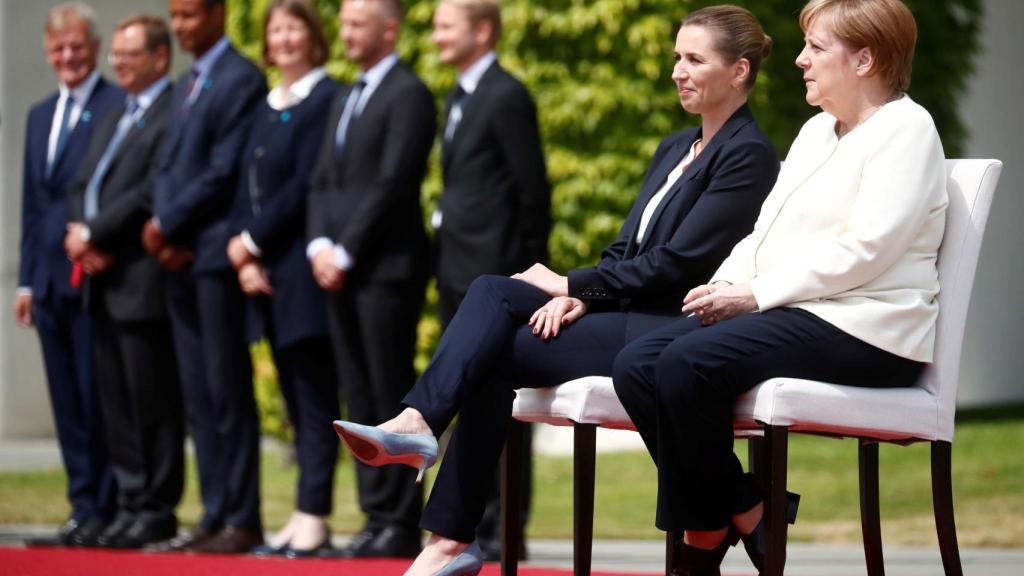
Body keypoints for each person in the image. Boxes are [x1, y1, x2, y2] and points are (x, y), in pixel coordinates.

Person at [332, 5, 779, 574]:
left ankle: (444, 523)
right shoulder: (673, 147)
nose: (677, 71)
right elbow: (625, 250)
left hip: (673, 323)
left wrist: (571, 283)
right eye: (675, 57)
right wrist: (581, 295)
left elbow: (676, 265)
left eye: (694, 59)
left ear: (739, 71)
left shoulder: (749, 155)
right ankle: (431, 473)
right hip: (626, 312)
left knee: (493, 330)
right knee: (494, 302)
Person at [611, 1, 948, 574]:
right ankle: (744, 509)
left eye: (816, 48)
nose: (799, 60)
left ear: (864, 59)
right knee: (637, 363)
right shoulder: (818, 131)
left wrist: (756, 295)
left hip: (868, 329)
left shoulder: (907, 130)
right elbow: (764, 233)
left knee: (688, 362)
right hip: (805, 311)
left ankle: (700, 544)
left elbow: (866, 251)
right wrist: (724, 284)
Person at [306, 0, 436, 559]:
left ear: (389, 29)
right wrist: (318, 244)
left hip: (384, 270)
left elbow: (393, 182)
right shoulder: (344, 94)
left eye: (358, 23)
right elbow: (322, 180)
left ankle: (399, 521)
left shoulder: (409, 93)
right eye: (344, 23)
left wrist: (346, 249)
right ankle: (373, 515)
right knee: (356, 394)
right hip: (338, 270)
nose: (346, 33)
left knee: (387, 394)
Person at [144, 0, 266, 554]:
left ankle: (242, 517)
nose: (180, 26)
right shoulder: (184, 83)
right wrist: (162, 234)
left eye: (190, 15)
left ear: (217, 14)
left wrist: (170, 224)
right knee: (197, 394)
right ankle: (214, 512)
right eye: (175, 15)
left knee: (226, 391)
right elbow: (165, 165)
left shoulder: (241, 78)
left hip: (213, 258)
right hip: (178, 259)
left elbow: (224, 169)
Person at [430, 0, 550, 559]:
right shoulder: (458, 96)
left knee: (503, 404)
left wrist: (522, 272)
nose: (435, 37)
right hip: (457, 273)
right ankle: (472, 522)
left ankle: (508, 529)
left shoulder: (505, 95)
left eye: (445, 26)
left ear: (482, 31)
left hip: (498, 276)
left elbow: (532, 193)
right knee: (472, 403)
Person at [64, 13, 183, 550]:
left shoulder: (170, 109)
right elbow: (84, 179)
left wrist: (97, 235)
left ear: (160, 57)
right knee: (115, 400)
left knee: (149, 400)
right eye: (117, 54)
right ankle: (131, 502)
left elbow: (145, 193)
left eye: (130, 54)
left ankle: (156, 507)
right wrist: (79, 233)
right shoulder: (117, 112)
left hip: (137, 276)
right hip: (99, 282)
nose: (118, 63)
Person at [226, 0, 340, 558]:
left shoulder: (325, 97)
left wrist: (251, 243)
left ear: (313, 38)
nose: (285, 38)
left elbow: (302, 185)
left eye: (295, 28)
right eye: (276, 30)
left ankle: (314, 514)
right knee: (295, 399)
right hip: (264, 272)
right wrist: (245, 257)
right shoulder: (266, 104)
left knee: (314, 396)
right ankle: (301, 513)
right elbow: (244, 187)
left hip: (300, 269)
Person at [16, 2, 121, 547]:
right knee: (66, 400)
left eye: (77, 46)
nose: (68, 57)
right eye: (58, 48)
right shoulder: (39, 115)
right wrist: (26, 282)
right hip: (50, 282)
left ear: (95, 48)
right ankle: (83, 504)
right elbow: (34, 205)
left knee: (96, 394)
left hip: (95, 277)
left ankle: (107, 504)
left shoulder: (116, 104)